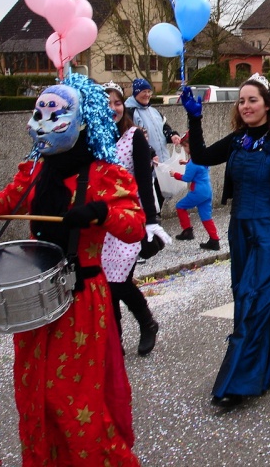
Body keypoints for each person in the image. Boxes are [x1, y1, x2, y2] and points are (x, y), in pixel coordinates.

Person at [0, 74, 144, 466]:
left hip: (80, 299)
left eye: (55, 113)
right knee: (34, 394)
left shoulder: (103, 174)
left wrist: (101, 211)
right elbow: (11, 198)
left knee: (73, 401)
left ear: (83, 120)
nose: (43, 122)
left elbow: (134, 225)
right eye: (39, 112)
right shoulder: (35, 169)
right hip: (34, 301)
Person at [179, 72, 270, 408]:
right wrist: (194, 117)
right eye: (242, 100)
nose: (246, 105)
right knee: (251, 297)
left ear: (267, 104)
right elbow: (202, 156)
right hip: (240, 232)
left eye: (253, 99)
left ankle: (240, 380)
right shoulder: (237, 140)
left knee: (255, 301)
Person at [103, 81, 171, 356]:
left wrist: (150, 222)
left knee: (118, 281)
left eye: (117, 102)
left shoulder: (134, 137)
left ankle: (146, 322)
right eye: (107, 103)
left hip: (130, 220)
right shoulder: (92, 140)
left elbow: (145, 181)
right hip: (101, 223)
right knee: (106, 285)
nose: (113, 109)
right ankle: (114, 340)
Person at [125, 77, 182, 206]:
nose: (147, 95)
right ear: (136, 92)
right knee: (148, 199)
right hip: (145, 165)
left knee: (160, 197)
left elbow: (164, 128)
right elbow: (132, 138)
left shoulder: (154, 111)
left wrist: (172, 135)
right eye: (143, 91)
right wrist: (150, 152)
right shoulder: (129, 112)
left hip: (161, 163)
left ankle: (156, 221)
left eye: (149, 91)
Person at [168, 132, 221, 250]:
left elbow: (187, 178)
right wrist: (186, 162)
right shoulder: (202, 157)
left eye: (185, 147)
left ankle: (187, 231)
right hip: (207, 190)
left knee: (180, 206)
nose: (184, 149)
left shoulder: (192, 162)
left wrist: (174, 174)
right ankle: (214, 240)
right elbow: (199, 167)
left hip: (198, 191)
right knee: (206, 216)